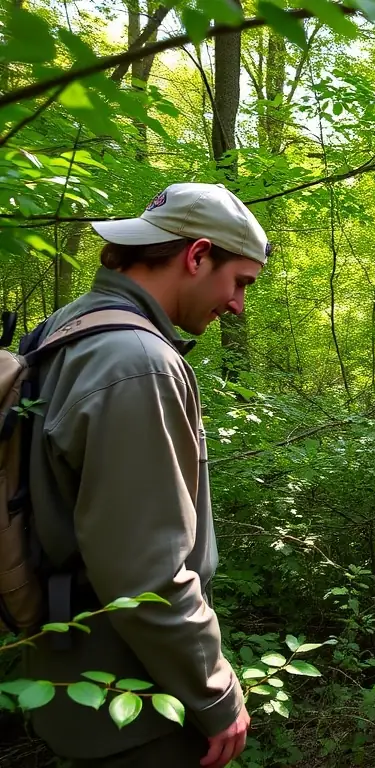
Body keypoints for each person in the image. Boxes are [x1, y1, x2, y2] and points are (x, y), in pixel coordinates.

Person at [22, 182, 270, 768]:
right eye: (239, 282)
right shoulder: (139, 363)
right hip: (137, 704)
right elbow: (147, 573)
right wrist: (214, 692)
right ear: (196, 254)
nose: (237, 305)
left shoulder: (66, 329)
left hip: (73, 678)